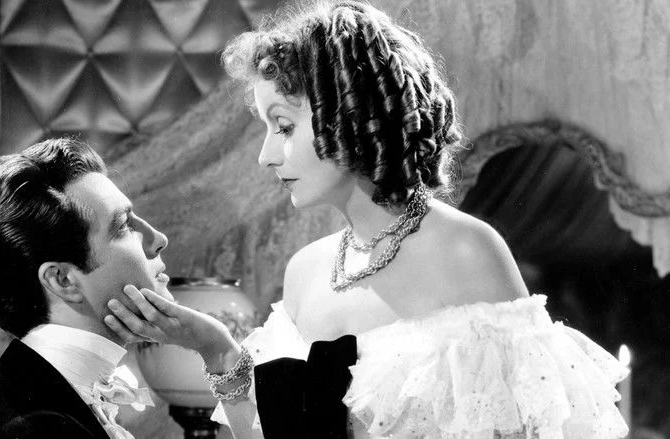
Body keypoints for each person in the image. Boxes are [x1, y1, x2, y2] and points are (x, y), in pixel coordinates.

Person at [105, 1, 630, 438]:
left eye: (283, 126)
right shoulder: (306, 272)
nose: (266, 156)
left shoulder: (466, 251)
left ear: (350, 116)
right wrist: (217, 349)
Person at [0, 138, 174, 438]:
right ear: (63, 280)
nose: (158, 239)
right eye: (123, 226)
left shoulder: (42, 402)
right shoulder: (37, 430)